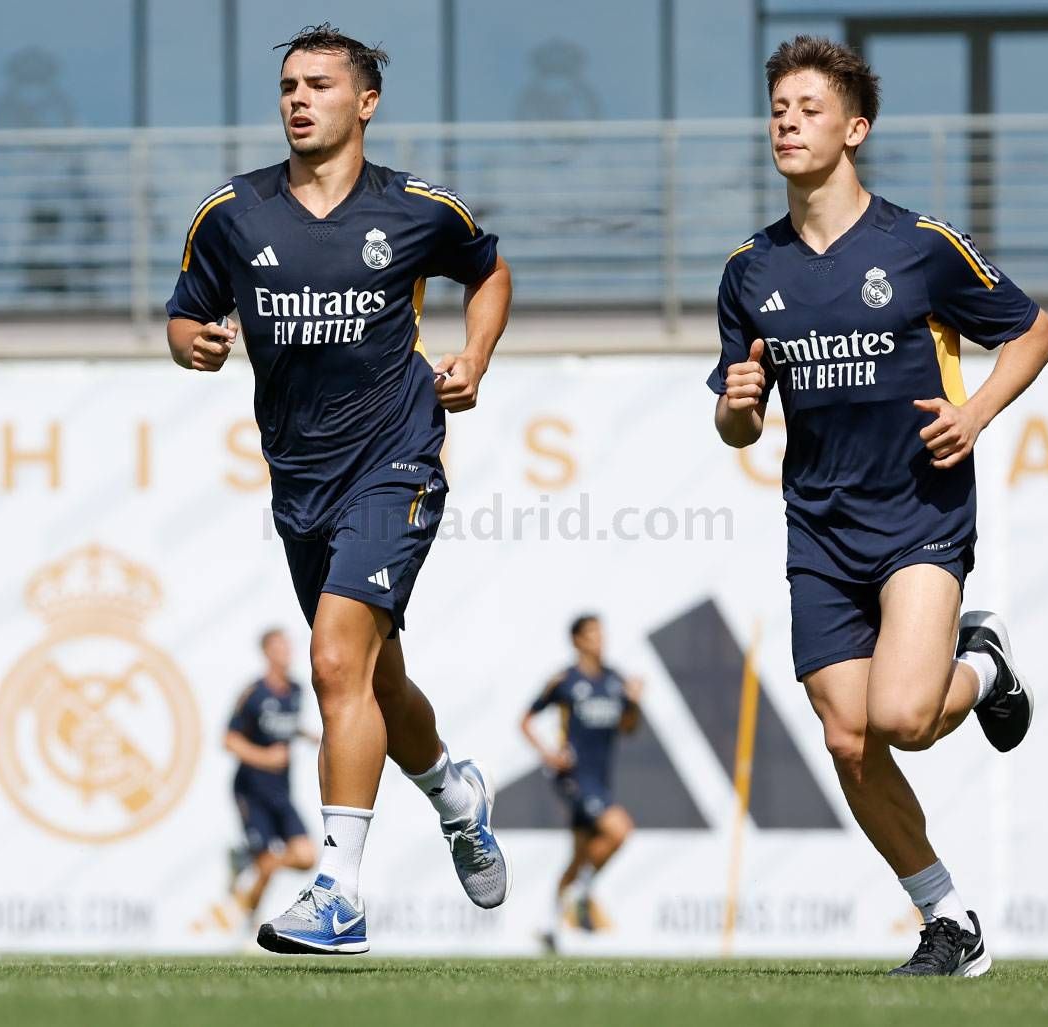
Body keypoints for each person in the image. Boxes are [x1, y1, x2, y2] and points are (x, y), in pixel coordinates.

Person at [707, 36, 1048, 977]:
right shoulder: (749, 269)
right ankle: (948, 919)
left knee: (903, 715)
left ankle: (980, 663)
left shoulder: (919, 246)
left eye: (809, 107)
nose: (786, 120)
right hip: (818, 529)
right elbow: (736, 423)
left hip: (917, 515)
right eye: (777, 106)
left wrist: (976, 413)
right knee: (847, 736)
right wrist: (737, 411)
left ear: (855, 128)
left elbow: (1035, 331)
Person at [166, 24, 513, 955]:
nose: (297, 98)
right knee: (371, 676)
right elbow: (187, 309)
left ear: (365, 103)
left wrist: (475, 355)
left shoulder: (415, 211)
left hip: (395, 459)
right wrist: (189, 343)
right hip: (299, 482)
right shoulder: (233, 214)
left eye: (319, 84)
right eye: (287, 84)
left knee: (331, 662)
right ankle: (455, 792)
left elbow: (488, 272)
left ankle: (339, 892)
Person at [521, 614, 642, 949]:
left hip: (601, 778)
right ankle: (583, 892)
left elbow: (629, 728)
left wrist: (634, 701)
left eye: (601, 633)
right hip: (574, 778)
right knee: (620, 830)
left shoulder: (615, 680)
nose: (598, 640)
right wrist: (548, 754)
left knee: (578, 856)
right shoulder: (565, 680)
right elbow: (526, 720)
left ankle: (549, 926)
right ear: (576, 640)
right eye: (591, 634)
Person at [224, 629, 318, 929]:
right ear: (266, 652)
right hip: (252, 791)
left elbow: (286, 725)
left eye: (288, 647)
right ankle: (252, 925)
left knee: (305, 857)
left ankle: (246, 863)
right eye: (279, 648)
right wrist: (266, 759)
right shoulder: (254, 693)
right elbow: (229, 740)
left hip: (281, 791)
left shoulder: (296, 690)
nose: (286, 653)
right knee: (266, 866)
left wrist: (307, 735)